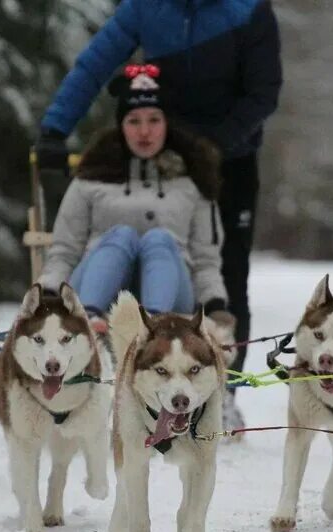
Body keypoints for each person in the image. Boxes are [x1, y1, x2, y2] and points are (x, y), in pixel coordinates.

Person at [35, 0, 282, 431]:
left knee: (226, 271)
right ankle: (138, 363)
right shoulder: (146, 8)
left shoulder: (247, 11)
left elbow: (263, 92)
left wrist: (211, 146)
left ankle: (225, 391)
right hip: (162, 145)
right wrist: (55, 128)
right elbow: (95, 65)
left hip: (230, 154)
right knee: (147, 245)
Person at [38, 66, 233, 337]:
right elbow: (65, 249)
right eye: (134, 121)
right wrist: (48, 291)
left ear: (167, 124)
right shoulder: (91, 178)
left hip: (173, 289)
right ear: (121, 126)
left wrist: (215, 304)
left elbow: (205, 260)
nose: (144, 132)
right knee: (121, 234)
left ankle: (152, 323)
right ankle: (90, 317)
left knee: (159, 239)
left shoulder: (192, 183)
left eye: (154, 120)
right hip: (97, 280)